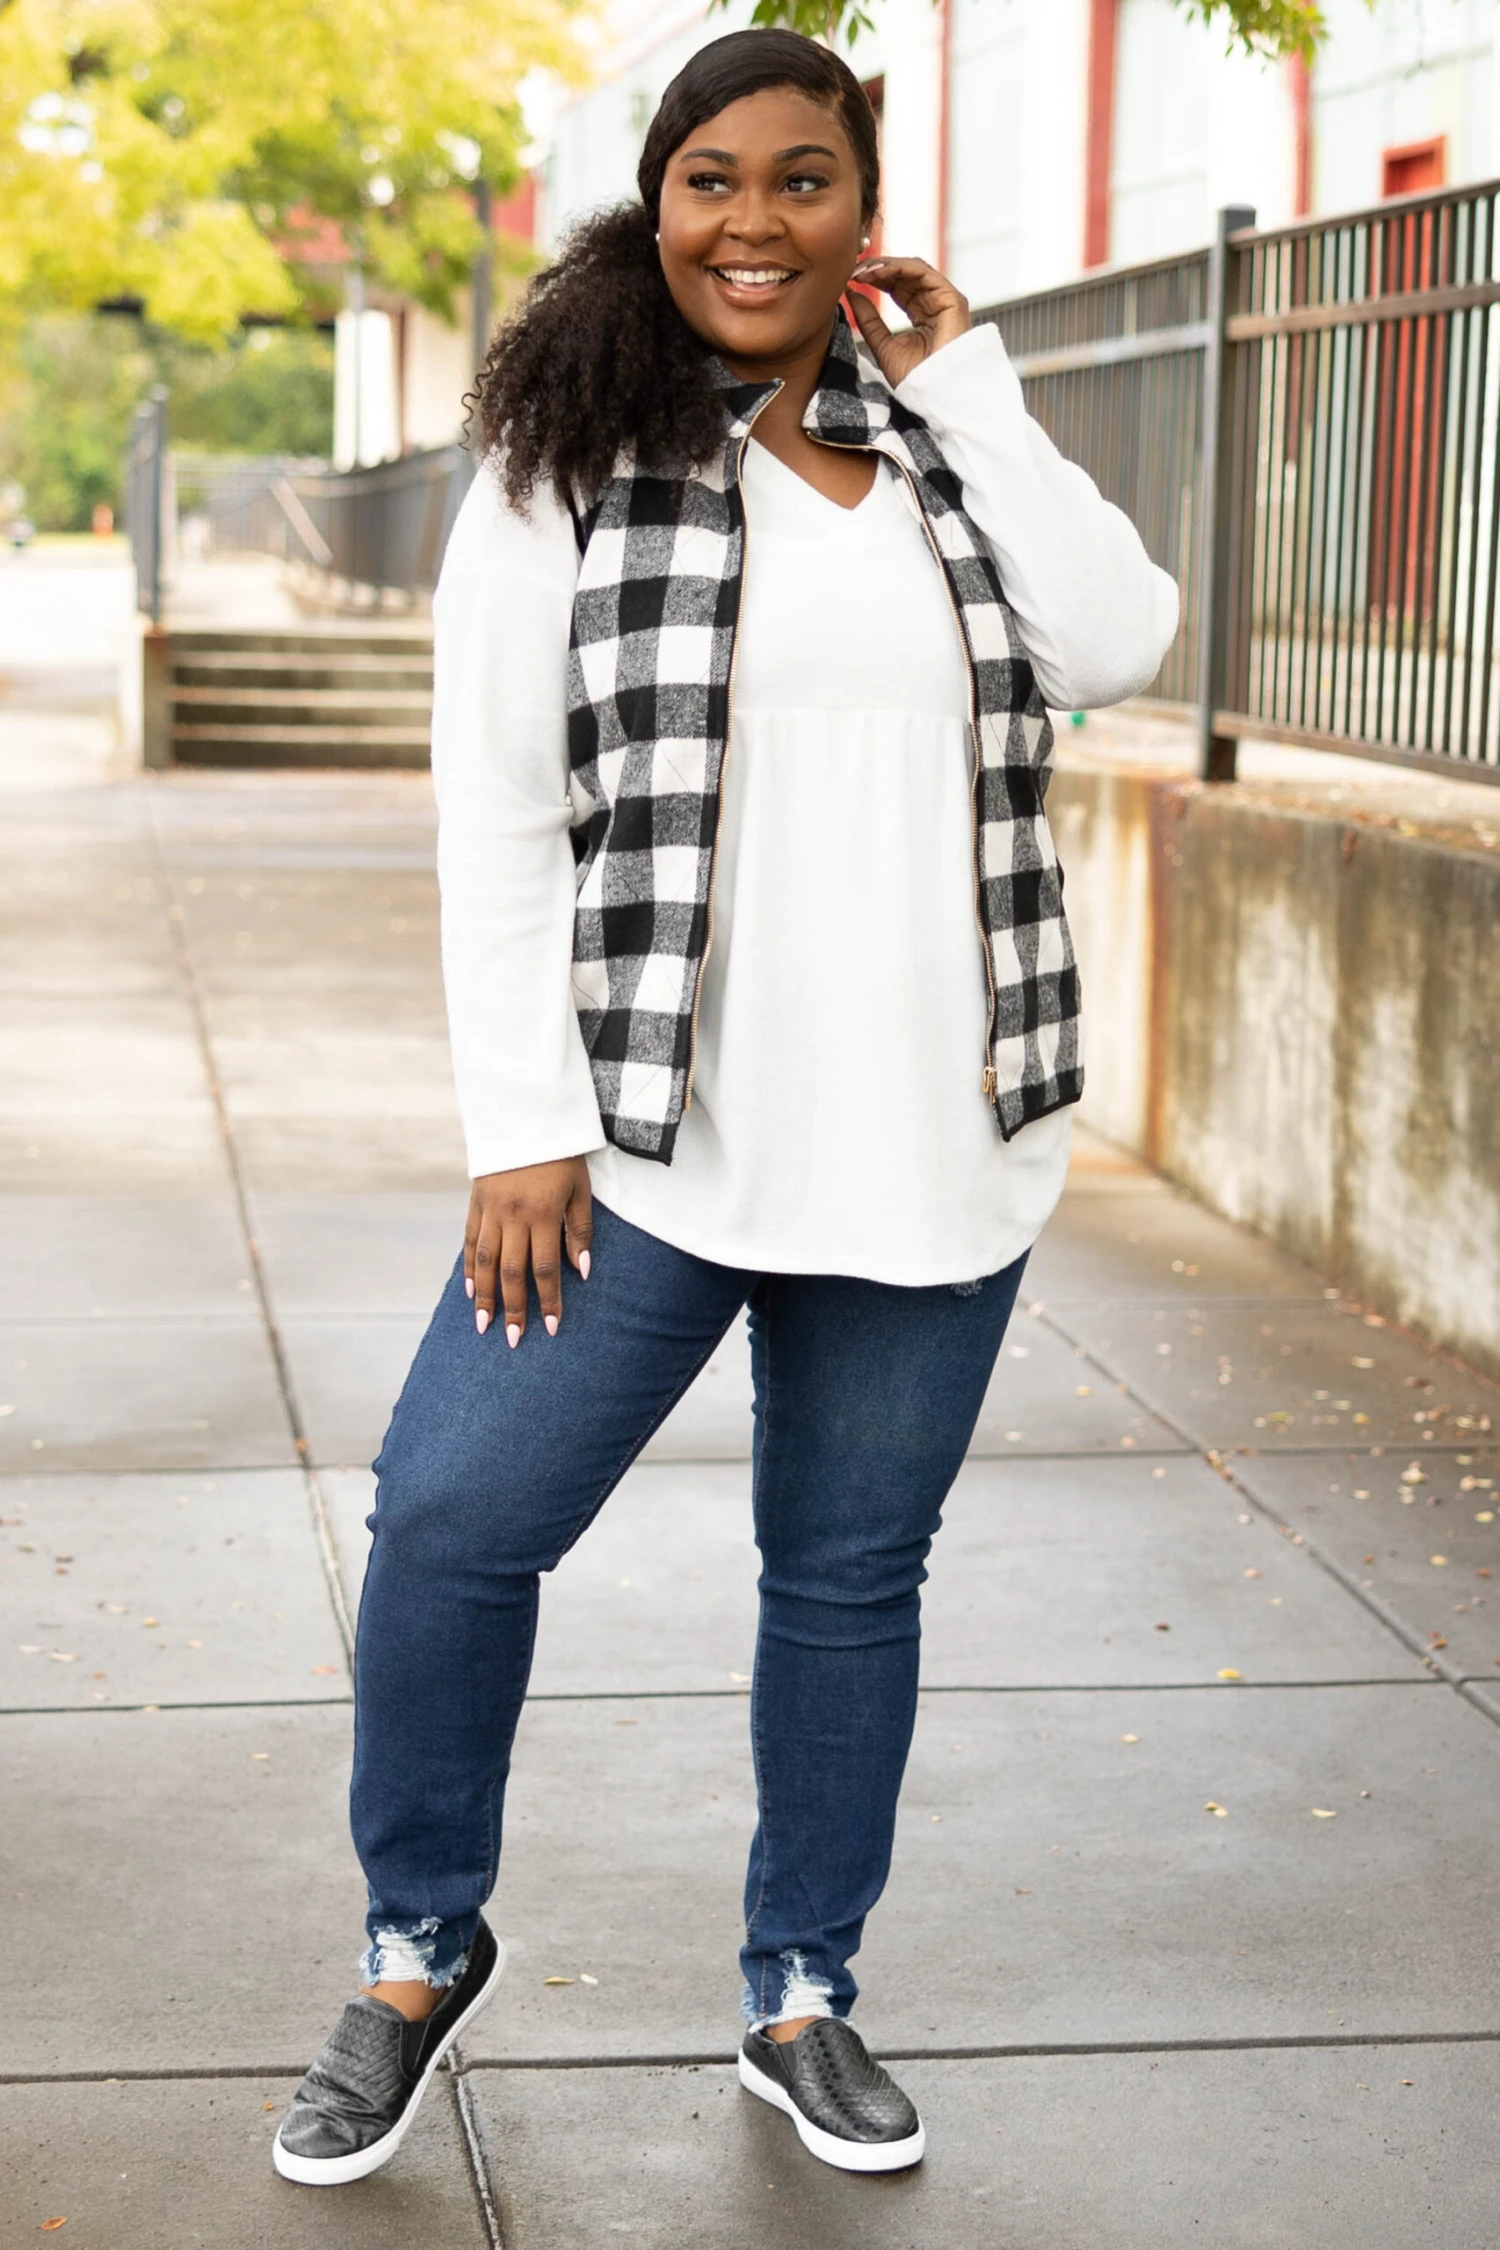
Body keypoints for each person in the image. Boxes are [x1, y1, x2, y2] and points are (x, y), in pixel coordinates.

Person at [273, 27, 1178, 2188]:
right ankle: (417, 1945)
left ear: (862, 212)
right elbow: (499, 813)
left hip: (939, 1136)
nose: (753, 221)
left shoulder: (945, 446)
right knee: (453, 1518)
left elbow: (1121, 639)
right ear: (655, 199)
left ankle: (802, 1992)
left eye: (802, 180)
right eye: (712, 180)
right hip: (642, 1146)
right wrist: (521, 1121)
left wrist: (974, 383)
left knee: (848, 1576)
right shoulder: (564, 458)